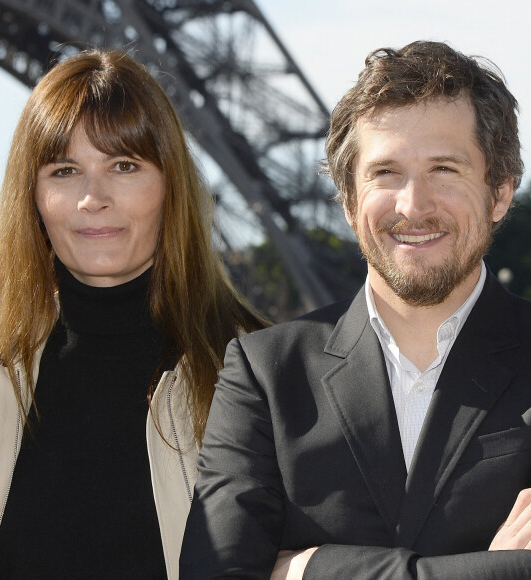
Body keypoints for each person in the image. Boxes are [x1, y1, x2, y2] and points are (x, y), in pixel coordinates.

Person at [180, 40, 531, 579]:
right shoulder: (264, 374)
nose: (413, 206)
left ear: (500, 193)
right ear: (348, 203)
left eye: (444, 168)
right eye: (385, 172)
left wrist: (305, 571)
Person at [0, 49, 266, 580]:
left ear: (171, 185)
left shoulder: (265, 384)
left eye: (124, 165)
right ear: (34, 196)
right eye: (65, 170)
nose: (93, 198)